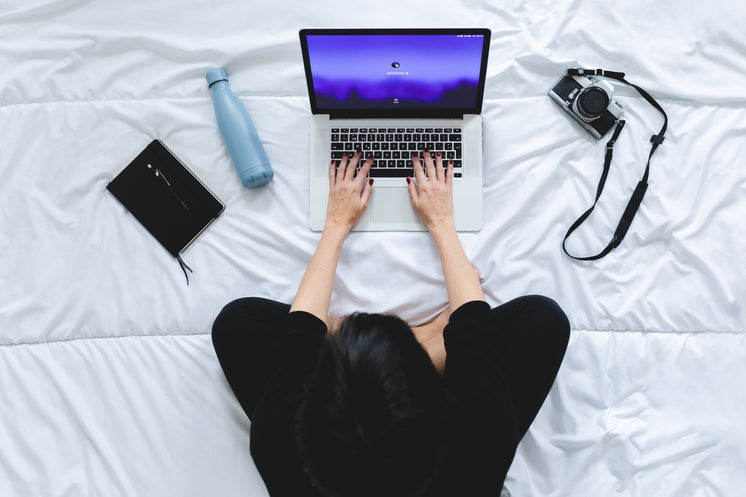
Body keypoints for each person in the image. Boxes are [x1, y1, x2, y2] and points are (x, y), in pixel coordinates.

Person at [212, 150, 570, 497]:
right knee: (544, 320)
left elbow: (299, 338)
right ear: (438, 393)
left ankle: (413, 343)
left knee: (236, 323)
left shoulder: (276, 440)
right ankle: (430, 337)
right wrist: (442, 223)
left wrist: (336, 224)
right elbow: (475, 330)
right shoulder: (482, 440)